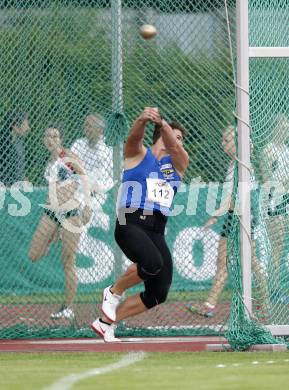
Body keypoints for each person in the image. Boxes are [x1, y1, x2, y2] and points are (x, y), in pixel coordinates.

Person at [89, 107, 189, 342]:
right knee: (152, 262)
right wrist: (143, 119)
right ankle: (113, 292)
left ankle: (106, 323)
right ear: (160, 138)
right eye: (176, 137)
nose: (179, 143)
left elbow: (176, 150)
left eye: (182, 139)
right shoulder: (139, 155)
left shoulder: (178, 166)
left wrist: (162, 122)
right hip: (130, 222)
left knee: (158, 292)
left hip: (156, 230)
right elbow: (133, 138)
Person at [187, 126, 269, 318]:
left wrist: (215, 215)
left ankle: (265, 302)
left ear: (239, 143)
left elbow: (235, 197)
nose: (222, 144)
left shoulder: (243, 165)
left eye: (227, 140)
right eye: (223, 140)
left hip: (245, 217)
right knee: (224, 261)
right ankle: (209, 305)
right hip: (233, 217)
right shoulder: (233, 165)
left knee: (250, 262)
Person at [29, 127, 91, 320]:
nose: (51, 139)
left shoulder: (68, 156)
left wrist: (88, 205)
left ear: (60, 139)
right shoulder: (48, 162)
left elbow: (84, 177)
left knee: (68, 261)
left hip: (71, 212)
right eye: (47, 136)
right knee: (34, 255)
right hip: (51, 212)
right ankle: (53, 237)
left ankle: (68, 306)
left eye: (55, 136)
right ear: (43, 140)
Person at [70, 114, 114, 229]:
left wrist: (92, 191)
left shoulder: (107, 151)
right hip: (76, 192)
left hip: (98, 196)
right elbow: (69, 171)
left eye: (89, 126)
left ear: (99, 130)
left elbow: (109, 181)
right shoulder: (78, 145)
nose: (85, 129)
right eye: (85, 126)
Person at [0, 110, 30, 186]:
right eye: (25, 125)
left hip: (16, 185)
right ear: (15, 126)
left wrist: (23, 178)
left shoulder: (19, 142)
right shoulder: (3, 143)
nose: (28, 128)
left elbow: (19, 166)